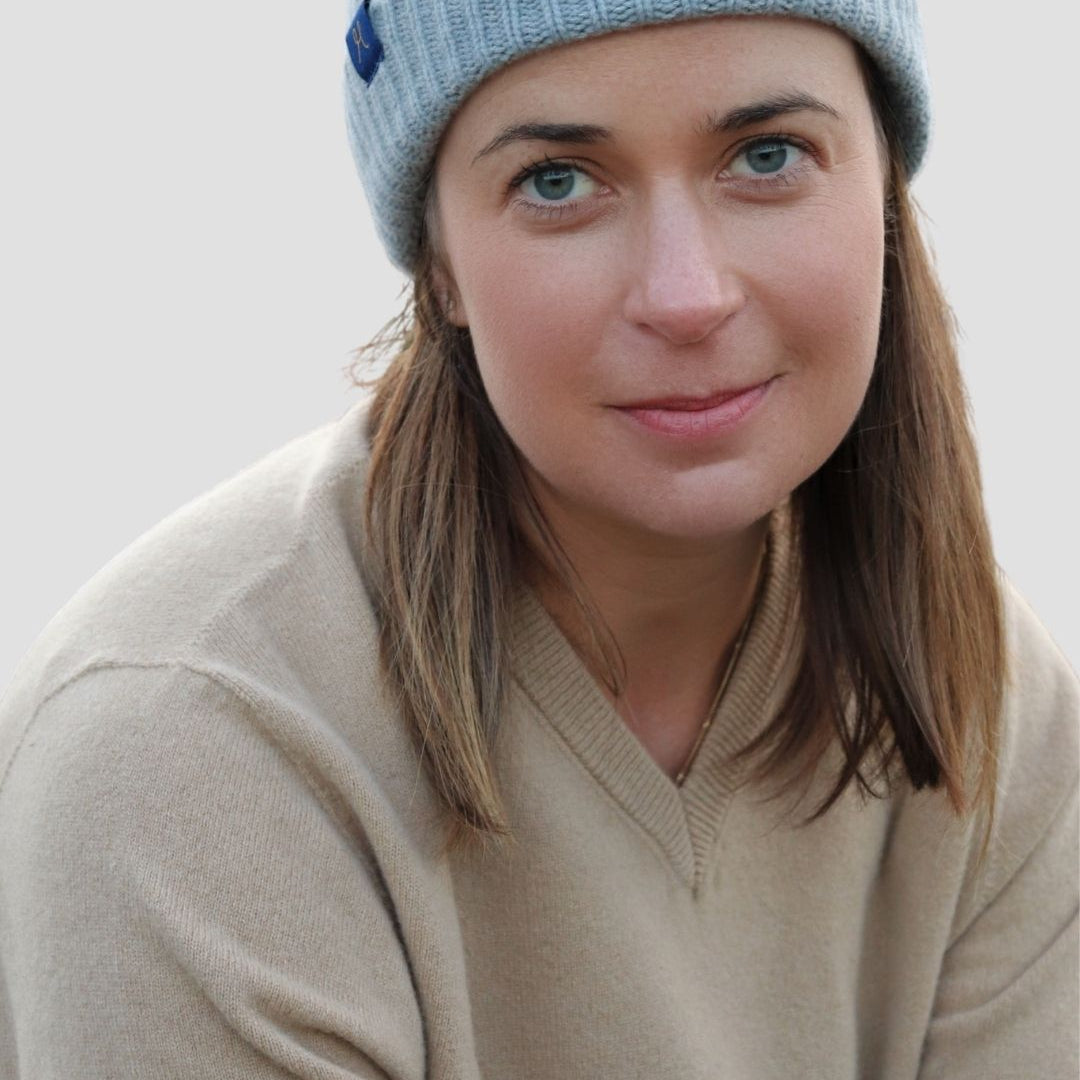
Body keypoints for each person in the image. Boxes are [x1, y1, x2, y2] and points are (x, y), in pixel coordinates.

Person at [0, 0, 1076, 1076]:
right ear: (439, 266)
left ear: (884, 193)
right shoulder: (190, 748)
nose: (686, 296)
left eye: (767, 155)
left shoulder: (997, 709)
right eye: (557, 181)